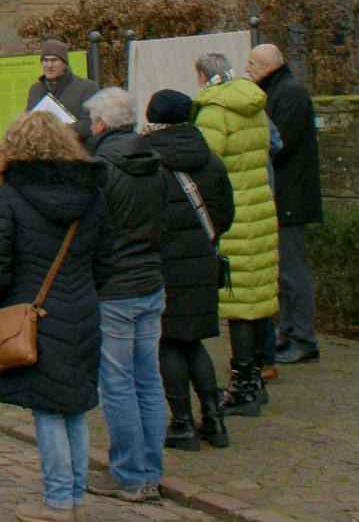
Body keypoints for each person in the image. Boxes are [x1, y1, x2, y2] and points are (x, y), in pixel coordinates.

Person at [0, 110, 111, 522]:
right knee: (73, 405)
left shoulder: (10, 193)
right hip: (83, 306)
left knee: (48, 409)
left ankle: (57, 502)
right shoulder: (92, 191)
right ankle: (74, 499)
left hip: (32, 310)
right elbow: (106, 257)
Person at [83, 87, 168, 503]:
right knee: (148, 379)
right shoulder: (155, 163)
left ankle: (131, 474)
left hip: (116, 286)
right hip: (150, 279)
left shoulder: (102, 168)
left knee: (117, 384)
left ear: (100, 123)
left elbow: (90, 233)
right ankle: (149, 470)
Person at [140, 89, 234, 452]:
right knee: (193, 342)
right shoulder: (209, 158)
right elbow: (226, 212)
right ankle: (213, 418)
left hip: (164, 264)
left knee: (167, 343)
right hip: (203, 262)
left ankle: (182, 423)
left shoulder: (150, 159)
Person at [191, 52, 279, 417]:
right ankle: (255, 379)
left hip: (235, 215)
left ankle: (242, 386)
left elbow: (206, 163)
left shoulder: (213, 111)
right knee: (257, 297)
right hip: (261, 207)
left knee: (241, 303)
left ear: (201, 76)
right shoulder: (253, 104)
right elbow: (273, 145)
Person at [245, 44, 321, 364]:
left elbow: (277, 142)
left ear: (266, 66)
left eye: (251, 64)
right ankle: (290, 332)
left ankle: (303, 338)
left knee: (292, 271)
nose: (246, 69)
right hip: (282, 193)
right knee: (283, 272)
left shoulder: (290, 94)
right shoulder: (277, 91)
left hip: (289, 195)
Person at [27, 39, 97, 141]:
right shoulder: (35, 89)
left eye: (55, 60)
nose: (49, 65)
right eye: (45, 60)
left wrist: (55, 131)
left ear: (65, 64)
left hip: (74, 151)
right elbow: (28, 122)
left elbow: (88, 124)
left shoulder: (86, 87)